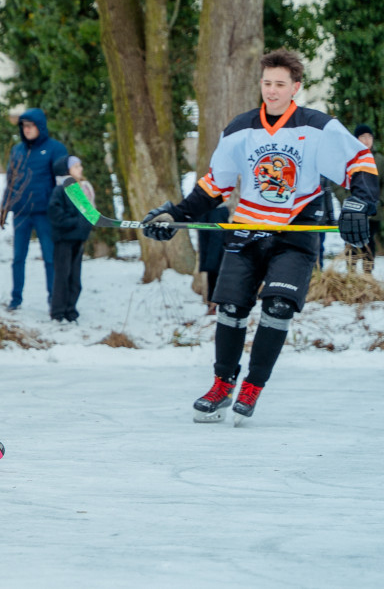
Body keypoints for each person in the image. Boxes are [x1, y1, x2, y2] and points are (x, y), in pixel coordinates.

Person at [142, 49, 378, 424]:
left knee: (279, 306)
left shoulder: (317, 126)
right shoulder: (241, 129)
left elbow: (360, 162)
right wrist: (176, 214)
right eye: (266, 83)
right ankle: (222, 384)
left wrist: (359, 203)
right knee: (232, 308)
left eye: (279, 84)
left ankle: (252, 387)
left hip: (296, 230)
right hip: (247, 229)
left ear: (295, 87)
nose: (271, 91)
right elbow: (213, 186)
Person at [0, 108, 67, 311]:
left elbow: (63, 182)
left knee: (49, 257)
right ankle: (16, 298)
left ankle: (54, 297)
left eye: (30, 126)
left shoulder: (55, 149)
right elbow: (11, 180)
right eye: (24, 126)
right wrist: (4, 207)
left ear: (40, 126)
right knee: (18, 257)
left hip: (45, 212)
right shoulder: (17, 150)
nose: (27, 130)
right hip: (21, 212)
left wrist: (60, 209)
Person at [46, 155, 93, 323]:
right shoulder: (60, 191)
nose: (80, 169)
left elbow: (89, 214)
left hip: (78, 240)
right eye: (76, 167)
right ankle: (58, 311)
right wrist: (75, 223)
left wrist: (85, 227)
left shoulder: (82, 190)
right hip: (64, 240)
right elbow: (56, 215)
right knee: (62, 276)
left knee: (75, 278)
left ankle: (70, 309)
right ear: (67, 171)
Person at [342, 124, 382, 274]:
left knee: (369, 242)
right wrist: (345, 200)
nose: (366, 140)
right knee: (350, 241)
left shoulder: (379, 160)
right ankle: (351, 272)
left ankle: (367, 272)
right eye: (362, 137)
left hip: (373, 211)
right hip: (351, 211)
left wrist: (380, 200)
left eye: (369, 137)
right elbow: (339, 184)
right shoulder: (350, 159)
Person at [196, 204, 230, 315]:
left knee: (217, 272)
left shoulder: (218, 213)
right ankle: (212, 303)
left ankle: (216, 304)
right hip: (206, 208)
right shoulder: (205, 212)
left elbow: (218, 237)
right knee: (212, 273)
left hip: (217, 255)